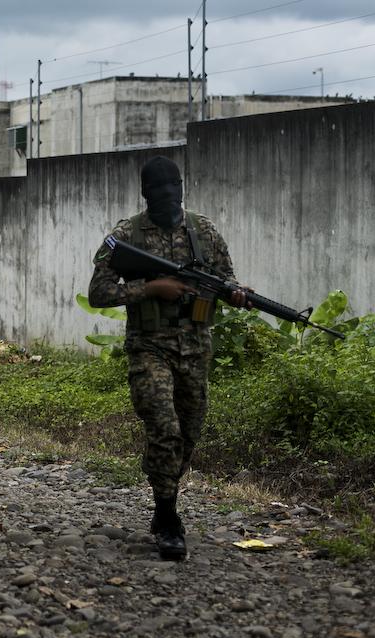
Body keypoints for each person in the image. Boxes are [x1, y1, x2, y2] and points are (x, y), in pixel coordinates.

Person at [88, 156, 249, 561]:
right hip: (149, 346)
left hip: (195, 348)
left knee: (189, 433)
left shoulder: (203, 230)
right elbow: (99, 293)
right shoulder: (127, 234)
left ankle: (163, 494)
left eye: (173, 189)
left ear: (182, 187)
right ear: (145, 194)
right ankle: (168, 516)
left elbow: (226, 276)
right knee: (164, 427)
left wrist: (234, 292)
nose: (167, 198)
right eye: (158, 192)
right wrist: (151, 288)